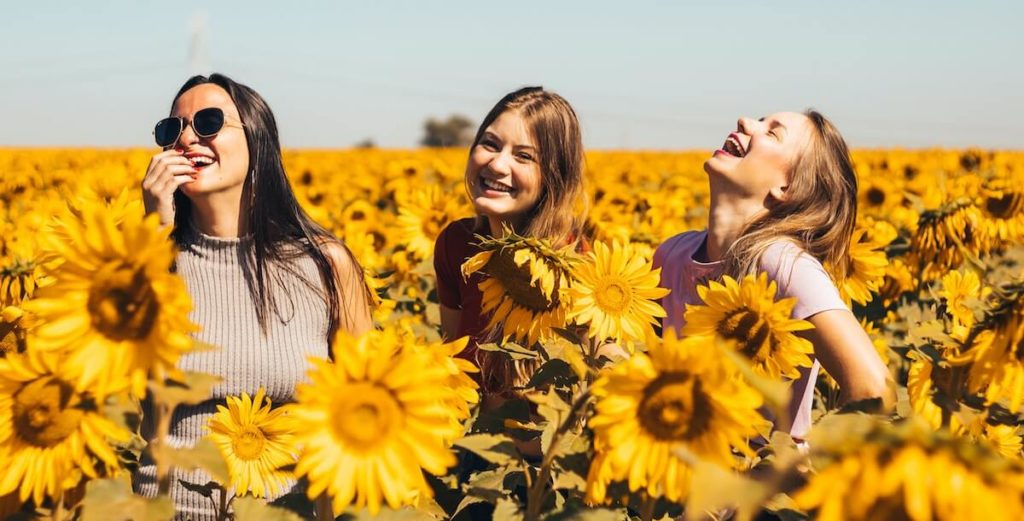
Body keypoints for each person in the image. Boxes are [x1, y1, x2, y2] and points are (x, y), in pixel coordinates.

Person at [133, 73, 373, 519]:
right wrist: (153, 237)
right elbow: (117, 395)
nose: (186, 138)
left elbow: (368, 403)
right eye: (172, 129)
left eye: (207, 122)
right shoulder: (142, 263)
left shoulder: (325, 264)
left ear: (257, 138)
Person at [653, 110, 892, 439]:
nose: (744, 122)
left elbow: (873, 388)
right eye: (759, 120)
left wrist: (803, 470)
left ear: (787, 187)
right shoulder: (671, 255)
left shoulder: (782, 264)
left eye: (772, 133)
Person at [433, 86, 588, 393]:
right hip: (468, 432)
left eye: (524, 156)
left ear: (554, 176)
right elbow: (453, 360)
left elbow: (578, 386)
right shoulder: (457, 244)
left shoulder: (577, 263)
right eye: (490, 144)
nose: (497, 165)